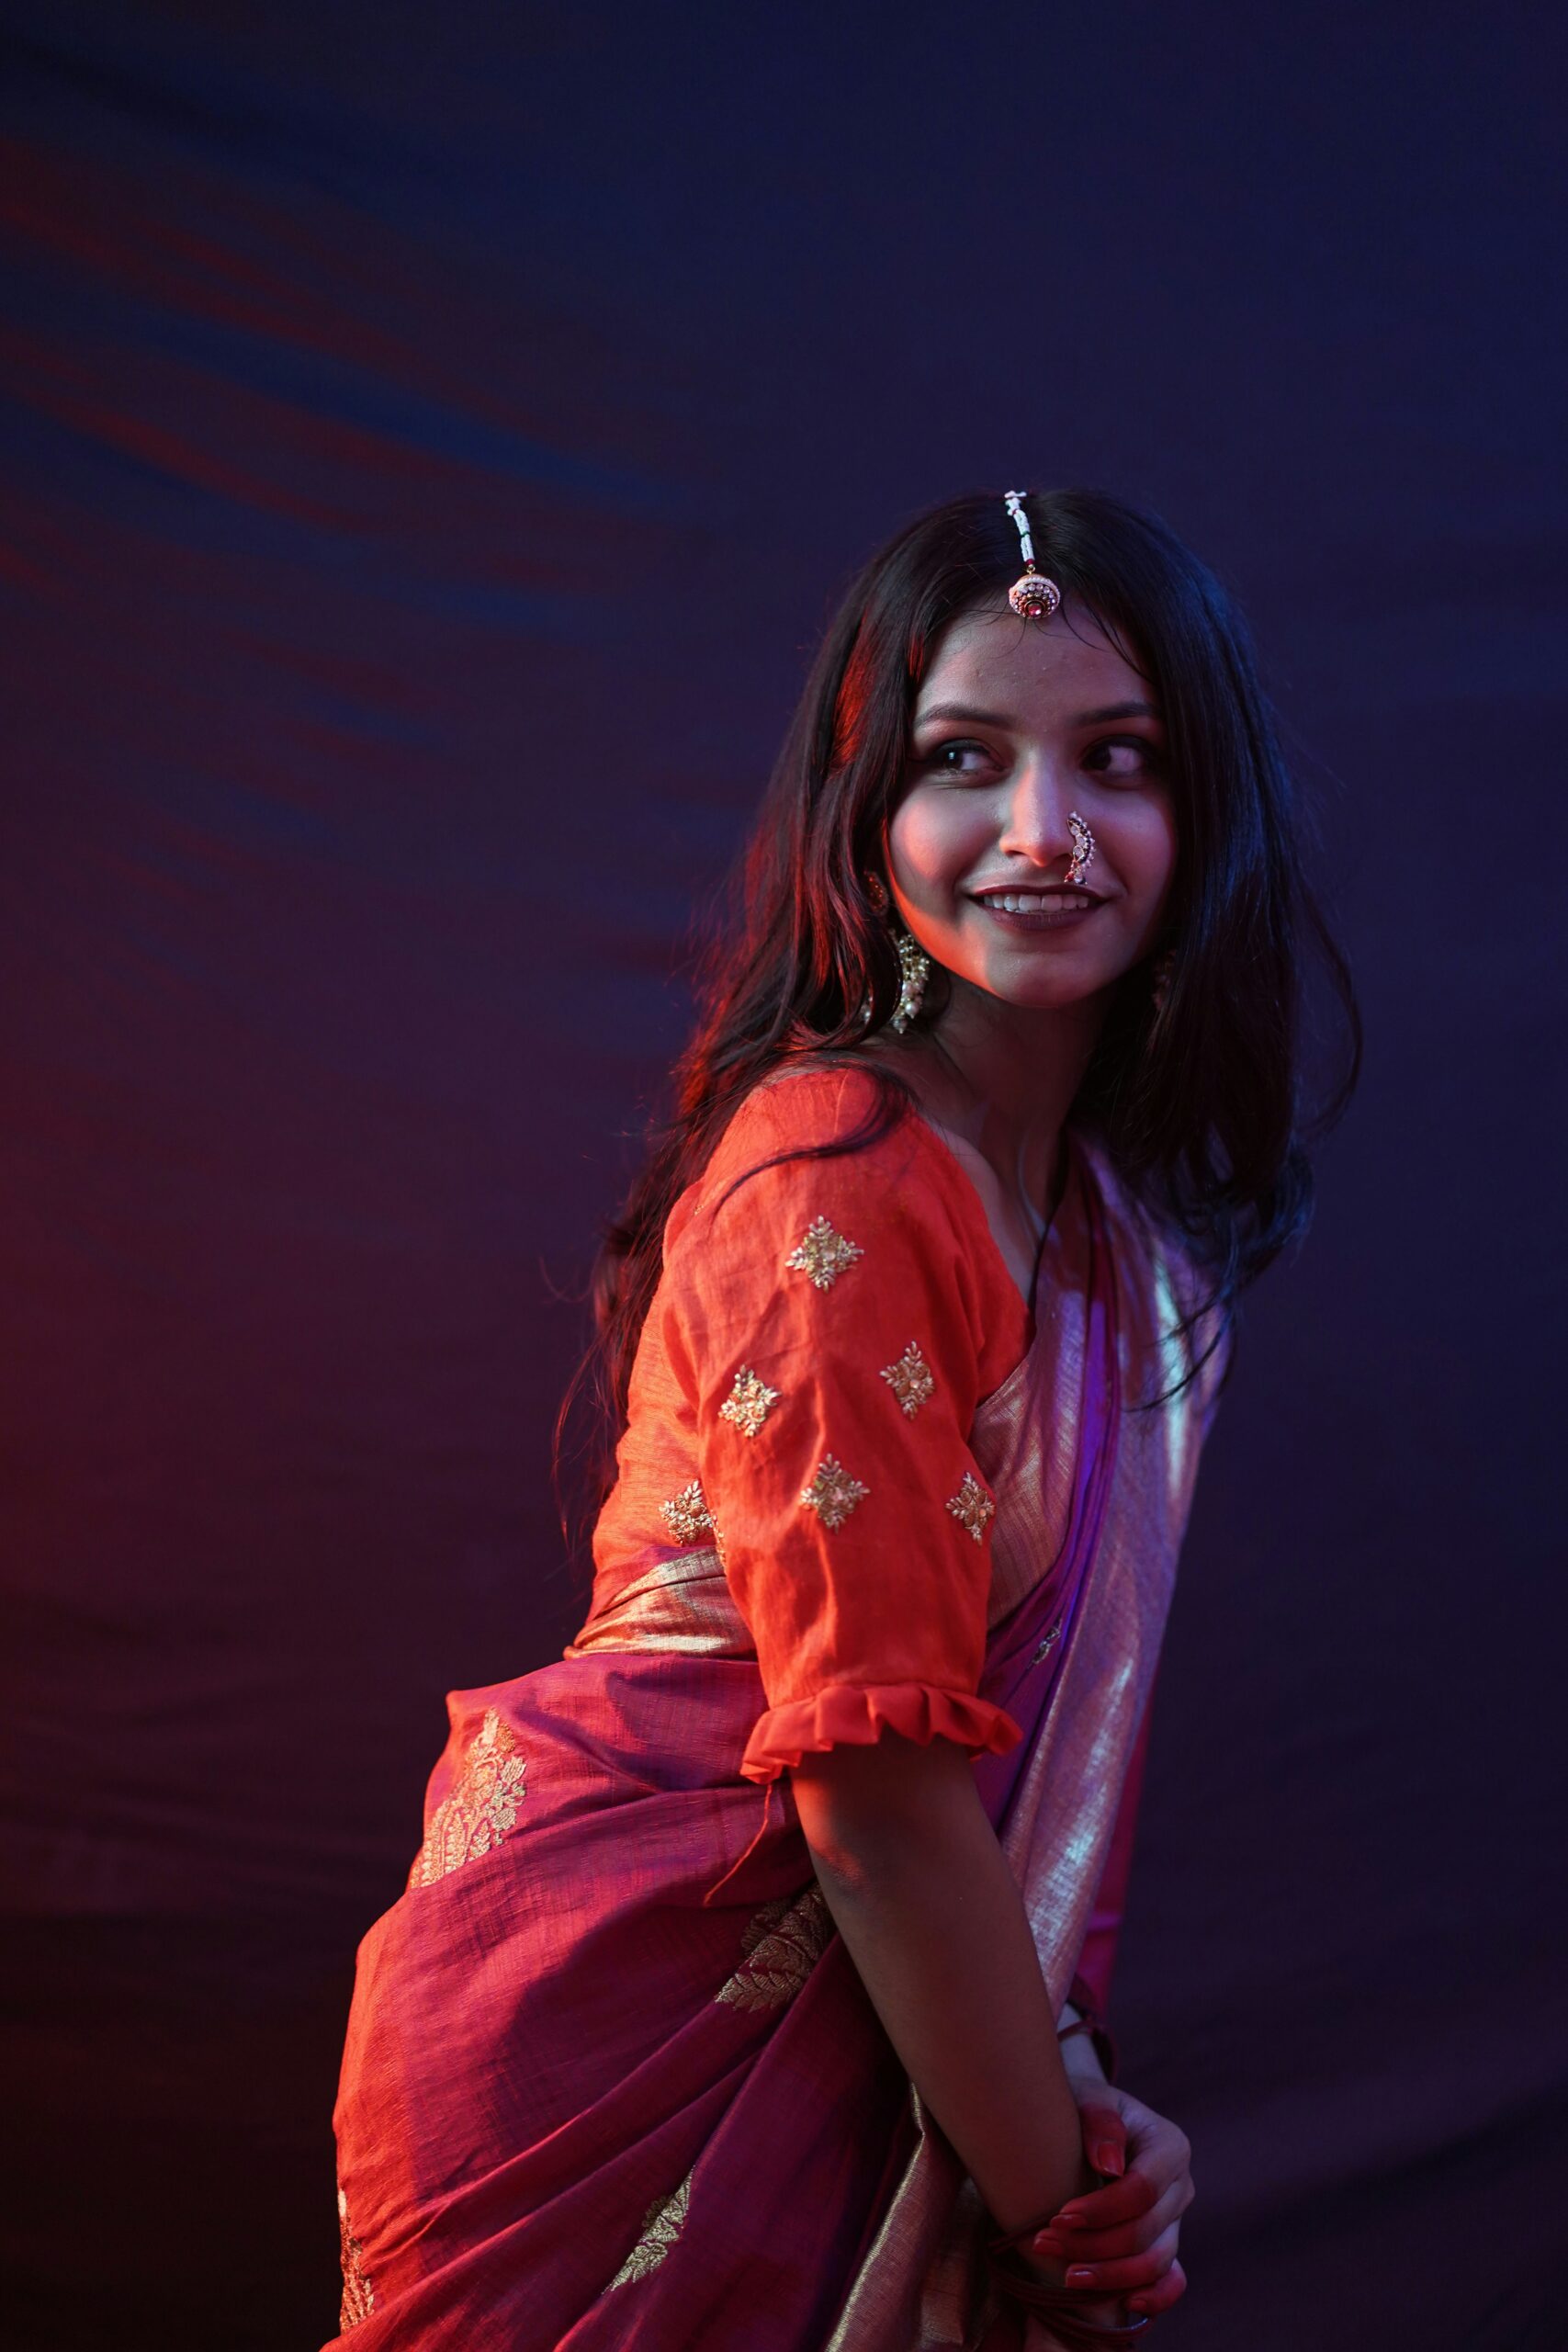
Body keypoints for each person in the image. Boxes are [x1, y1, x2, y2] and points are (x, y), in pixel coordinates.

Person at [326, 488, 1358, 2350]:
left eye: (1115, 759)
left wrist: (1065, 2094)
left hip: (921, 2027)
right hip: (613, 2046)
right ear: (865, 813)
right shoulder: (839, 1177)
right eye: (963, 759)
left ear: (1205, 805)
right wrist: (1063, 2207)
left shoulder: (1115, 1236)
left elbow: (1001, 1813)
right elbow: (874, 1800)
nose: (1039, 832)